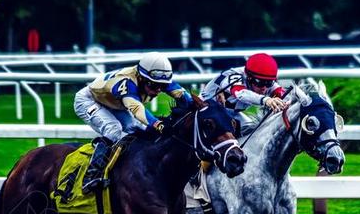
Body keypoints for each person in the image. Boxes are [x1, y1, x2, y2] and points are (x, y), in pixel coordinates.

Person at [74, 52, 193, 193]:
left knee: (137, 129)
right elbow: (136, 109)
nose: (158, 90)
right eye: (154, 86)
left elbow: (182, 94)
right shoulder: (127, 82)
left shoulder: (155, 78)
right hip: (89, 100)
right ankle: (92, 175)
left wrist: (200, 105)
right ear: (141, 78)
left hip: (115, 104)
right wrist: (158, 124)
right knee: (114, 130)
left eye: (162, 86)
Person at [199, 52, 288, 128]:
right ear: (249, 78)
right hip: (204, 110)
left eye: (268, 83)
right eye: (260, 82)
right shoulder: (233, 76)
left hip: (231, 114)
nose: (264, 88)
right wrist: (265, 100)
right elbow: (241, 93)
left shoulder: (263, 81)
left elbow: (284, 95)